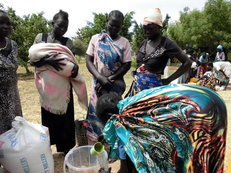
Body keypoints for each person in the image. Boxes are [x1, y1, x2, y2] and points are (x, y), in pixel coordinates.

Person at [96, 84, 227, 173]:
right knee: (208, 157)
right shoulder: (135, 103)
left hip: (198, 113)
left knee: (194, 164)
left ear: (110, 118)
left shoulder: (122, 123)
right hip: (209, 100)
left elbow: (124, 172)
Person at [30, 10, 88, 154]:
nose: (62, 30)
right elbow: (33, 60)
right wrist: (49, 61)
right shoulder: (41, 38)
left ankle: (65, 149)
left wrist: (57, 64)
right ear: (52, 23)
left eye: (65, 27)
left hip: (63, 91)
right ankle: (49, 146)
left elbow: (69, 63)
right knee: (49, 120)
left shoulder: (67, 42)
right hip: (47, 91)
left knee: (65, 121)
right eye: (60, 26)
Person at [85, 10, 132, 143]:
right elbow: (88, 60)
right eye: (112, 25)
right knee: (97, 112)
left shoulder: (124, 43)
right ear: (107, 21)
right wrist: (100, 77)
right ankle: (96, 142)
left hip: (114, 86)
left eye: (117, 26)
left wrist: (109, 79)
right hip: (98, 85)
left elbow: (127, 64)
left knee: (113, 115)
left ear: (121, 26)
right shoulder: (96, 39)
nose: (114, 28)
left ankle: (114, 145)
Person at [126, 8, 191, 96]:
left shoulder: (167, 44)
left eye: (150, 28)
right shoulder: (144, 43)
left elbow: (187, 62)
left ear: (159, 27)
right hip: (137, 89)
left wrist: (168, 80)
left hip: (154, 92)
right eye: (145, 28)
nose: (147, 31)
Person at [0, 10, 22, 134]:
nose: (5, 27)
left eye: (8, 24)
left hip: (13, 97)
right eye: (1, 23)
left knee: (15, 130)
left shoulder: (13, 45)